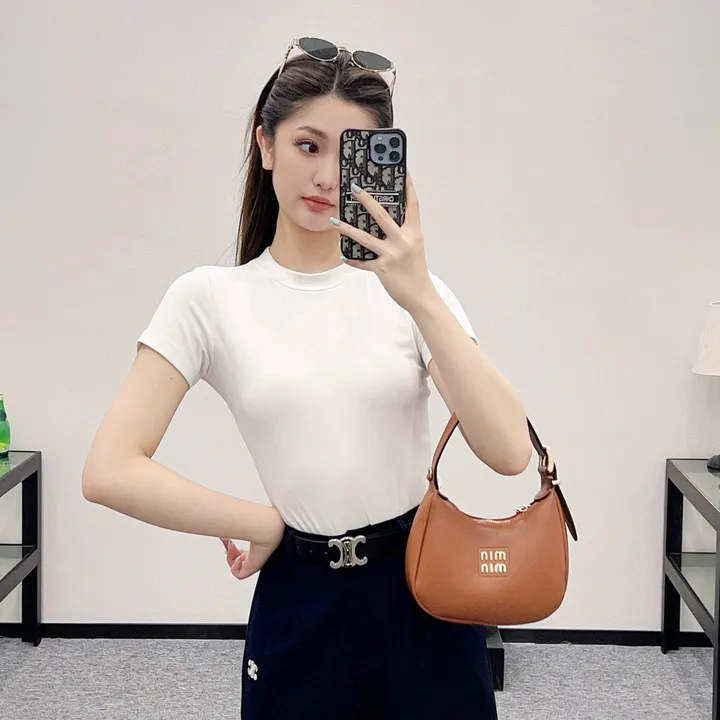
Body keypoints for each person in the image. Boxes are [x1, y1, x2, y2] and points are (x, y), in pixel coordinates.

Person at [82, 37, 532, 719]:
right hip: (301, 598)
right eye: (307, 145)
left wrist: (418, 293)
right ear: (265, 144)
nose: (325, 176)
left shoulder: (415, 294)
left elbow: (508, 451)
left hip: (424, 589)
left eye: (348, 153)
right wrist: (259, 522)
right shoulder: (208, 299)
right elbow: (109, 468)